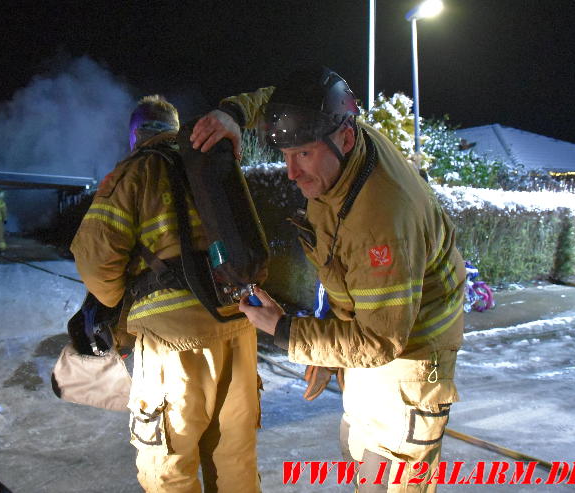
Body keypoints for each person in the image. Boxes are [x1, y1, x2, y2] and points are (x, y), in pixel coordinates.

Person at [191, 66, 465, 492]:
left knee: (388, 478)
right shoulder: (340, 138)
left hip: (408, 366)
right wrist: (234, 113)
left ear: (346, 140)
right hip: (372, 347)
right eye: (286, 155)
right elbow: (283, 99)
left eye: (303, 154)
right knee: (359, 456)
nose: (291, 172)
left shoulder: (381, 224)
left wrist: (287, 331)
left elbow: (379, 343)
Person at [71, 95, 261, 492]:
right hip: (239, 324)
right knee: (236, 463)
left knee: (169, 470)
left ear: (136, 135)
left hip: (173, 344)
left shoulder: (135, 171)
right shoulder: (212, 164)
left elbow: (94, 261)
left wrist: (117, 303)